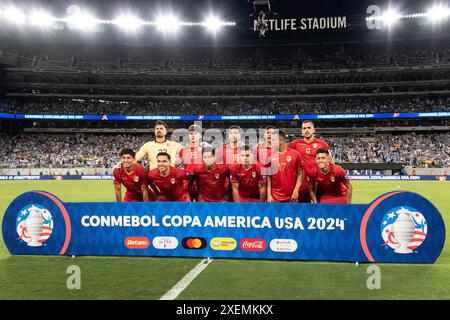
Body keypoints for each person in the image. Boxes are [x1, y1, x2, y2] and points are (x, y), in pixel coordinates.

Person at [288, 120, 331, 202]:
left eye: (309, 128)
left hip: (319, 183)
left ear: (314, 130)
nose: (306, 130)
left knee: (320, 210)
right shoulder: (295, 144)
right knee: (303, 210)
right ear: (301, 131)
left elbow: (331, 163)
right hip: (302, 185)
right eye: (304, 128)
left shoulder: (322, 144)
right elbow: (281, 150)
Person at [266, 131, 303, 203]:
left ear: (281, 141)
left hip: (291, 195)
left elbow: (300, 174)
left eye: (273, 140)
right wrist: (269, 194)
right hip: (274, 197)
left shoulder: (295, 154)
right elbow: (268, 176)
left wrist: (296, 190)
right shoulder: (269, 155)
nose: (271, 142)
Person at [178, 124, 203, 201]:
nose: (193, 135)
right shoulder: (183, 150)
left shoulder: (205, 149)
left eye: (196, 133)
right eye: (191, 133)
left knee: (201, 208)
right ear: (188, 135)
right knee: (187, 208)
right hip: (187, 182)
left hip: (201, 183)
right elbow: (176, 166)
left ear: (200, 136)